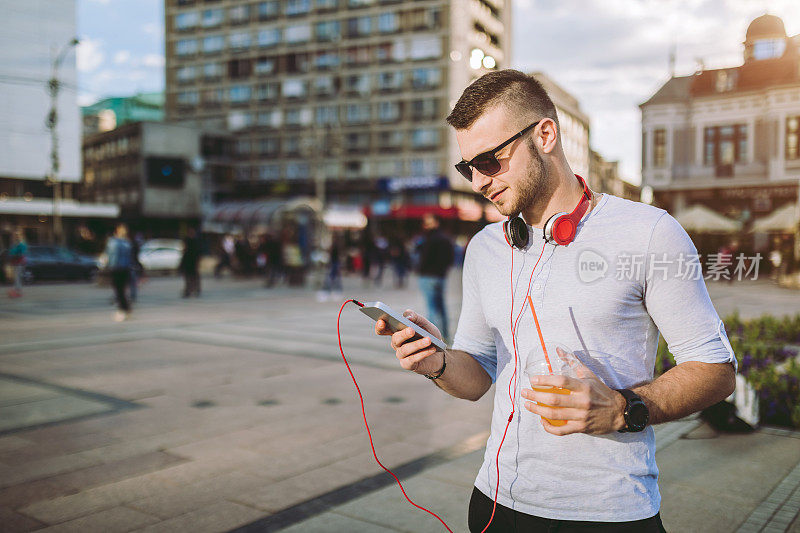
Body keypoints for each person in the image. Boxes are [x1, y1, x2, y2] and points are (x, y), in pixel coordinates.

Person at [375, 70, 736, 532]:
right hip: (494, 503)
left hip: (609, 512)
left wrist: (624, 409)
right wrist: (437, 362)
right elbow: (477, 377)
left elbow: (716, 370)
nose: (478, 182)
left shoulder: (651, 232)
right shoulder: (485, 248)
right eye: (468, 167)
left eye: (490, 161)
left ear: (545, 135)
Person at [415, 213, 454, 340]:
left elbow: (424, 258)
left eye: (428, 222)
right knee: (441, 308)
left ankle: (433, 338)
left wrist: (420, 269)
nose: (425, 224)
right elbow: (450, 258)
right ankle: (446, 335)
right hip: (440, 277)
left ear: (436, 222)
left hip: (428, 276)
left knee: (431, 308)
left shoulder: (430, 238)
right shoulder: (446, 238)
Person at [105, 223, 133, 321]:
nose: (124, 231)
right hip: (124, 269)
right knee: (120, 290)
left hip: (118, 268)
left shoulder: (114, 242)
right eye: (122, 229)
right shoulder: (127, 242)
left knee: (119, 291)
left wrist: (110, 266)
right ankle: (126, 309)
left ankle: (122, 311)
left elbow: (112, 256)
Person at [179, 227, 201, 297]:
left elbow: (197, 252)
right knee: (189, 277)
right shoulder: (188, 240)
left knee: (192, 277)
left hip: (192, 261)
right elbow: (184, 250)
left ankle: (193, 289)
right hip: (188, 261)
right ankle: (189, 290)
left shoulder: (195, 241)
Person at [7, 228, 27, 298]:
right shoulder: (15, 244)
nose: (15, 236)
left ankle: (18, 291)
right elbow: (11, 252)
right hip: (15, 263)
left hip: (18, 263)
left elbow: (21, 254)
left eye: (17, 235)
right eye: (15, 235)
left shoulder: (21, 244)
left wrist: (14, 256)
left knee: (17, 277)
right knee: (16, 277)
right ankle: (17, 290)